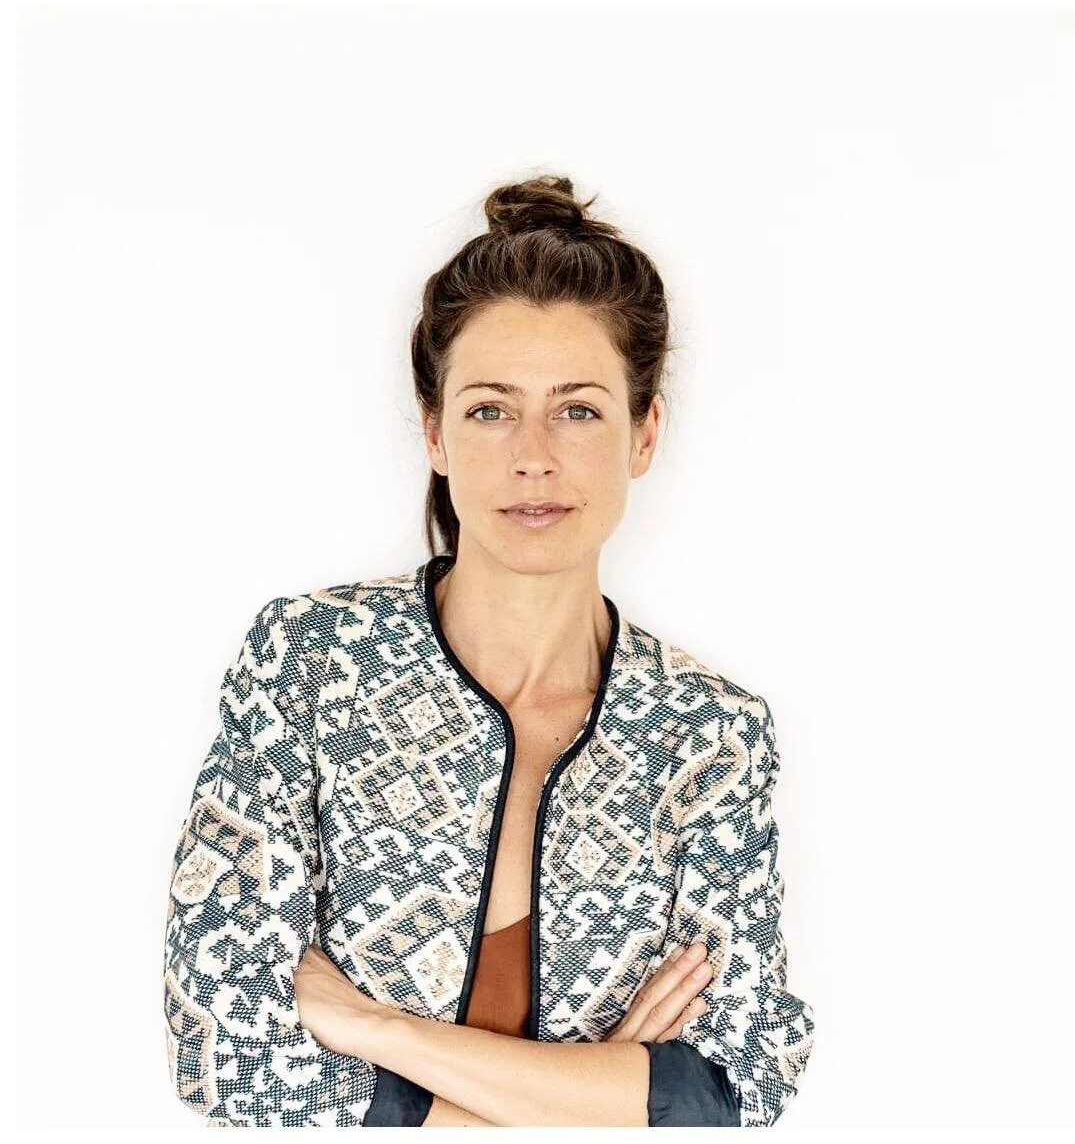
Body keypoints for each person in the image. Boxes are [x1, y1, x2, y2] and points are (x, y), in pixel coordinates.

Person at [162, 174, 816, 1126]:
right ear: (435, 433)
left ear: (645, 434)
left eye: (579, 410)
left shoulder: (709, 733)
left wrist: (376, 1029)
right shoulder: (313, 660)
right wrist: (601, 1095)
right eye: (490, 409)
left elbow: (736, 1083)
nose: (533, 455)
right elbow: (229, 1053)